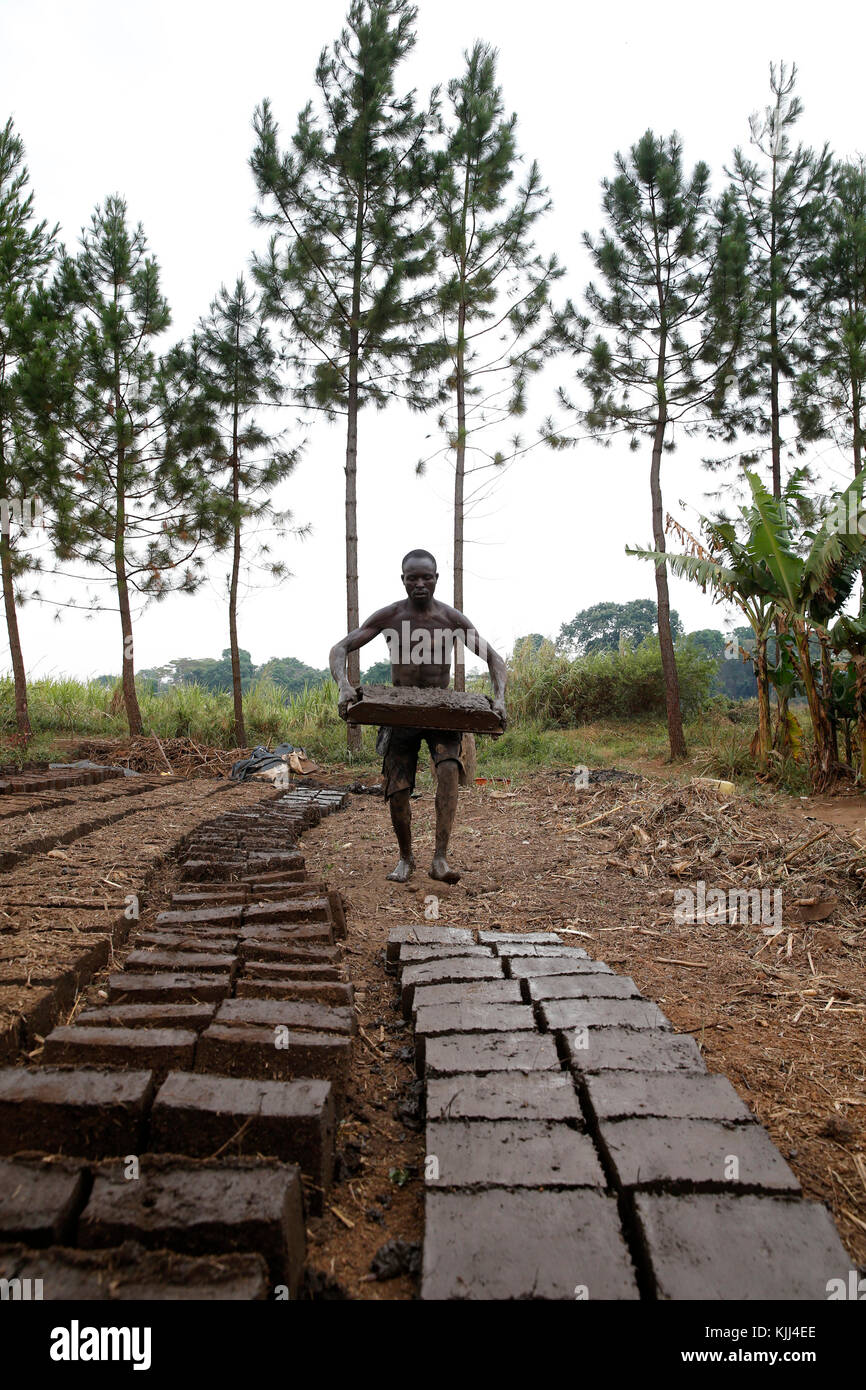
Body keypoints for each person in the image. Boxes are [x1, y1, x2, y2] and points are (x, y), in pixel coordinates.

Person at [329, 548, 507, 884]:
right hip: (401, 713)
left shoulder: (451, 619)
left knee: (450, 773)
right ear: (403, 580)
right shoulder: (391, 616)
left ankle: (440, 859)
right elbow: (340, 648)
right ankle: (406, 857)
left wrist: (499, 699)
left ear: (437, 579)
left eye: (427, 577)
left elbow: (495, 660)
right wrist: (344, 685)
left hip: (443, 715)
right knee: (397, 789)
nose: (420, 584)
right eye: (413, 578)